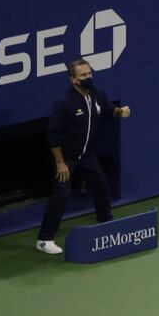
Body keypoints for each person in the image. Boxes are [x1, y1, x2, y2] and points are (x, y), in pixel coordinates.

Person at [36, 59, 132, 255]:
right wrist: (61, 163)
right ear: (73, 80)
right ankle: (45, 239)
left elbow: (108, 110)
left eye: (89, 73)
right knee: (62, 194)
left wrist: (119, 112)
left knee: (101, 185)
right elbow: (53, 135)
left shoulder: (97, 94)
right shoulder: (63, 103)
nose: (88, 77)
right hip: (67, 157)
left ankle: (105, 222)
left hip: (87, 155)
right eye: (83, 75)